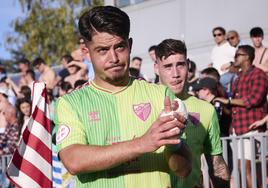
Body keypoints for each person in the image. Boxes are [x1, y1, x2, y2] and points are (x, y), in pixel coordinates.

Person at [55, 6, 191, 188]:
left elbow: (183, 170)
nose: (114, 58)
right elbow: (73, 161)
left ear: (130, 45)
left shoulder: (161, 95)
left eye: (120, 47)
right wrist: (143, 143)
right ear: (86, 52)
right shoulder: (70, 103)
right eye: (102, 50)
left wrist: (174, 145)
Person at [155, 39, 230, 188]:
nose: (175, 74)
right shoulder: (143, 104)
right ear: (156, 68)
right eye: (168, 66)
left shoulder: (206, 110)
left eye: (180, 65)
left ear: (188, 65)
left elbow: (216, 163)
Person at [214, 45, 268, 188]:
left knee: (247, 168)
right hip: (237, 129)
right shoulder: (237, 78)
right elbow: (234, 107)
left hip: (250, 128)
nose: (235, 57)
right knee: (241, 168)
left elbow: (254, 99)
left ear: (247, 57)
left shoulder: (259, 74)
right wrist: (223, 103)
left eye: (238, 54)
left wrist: (229, 101)